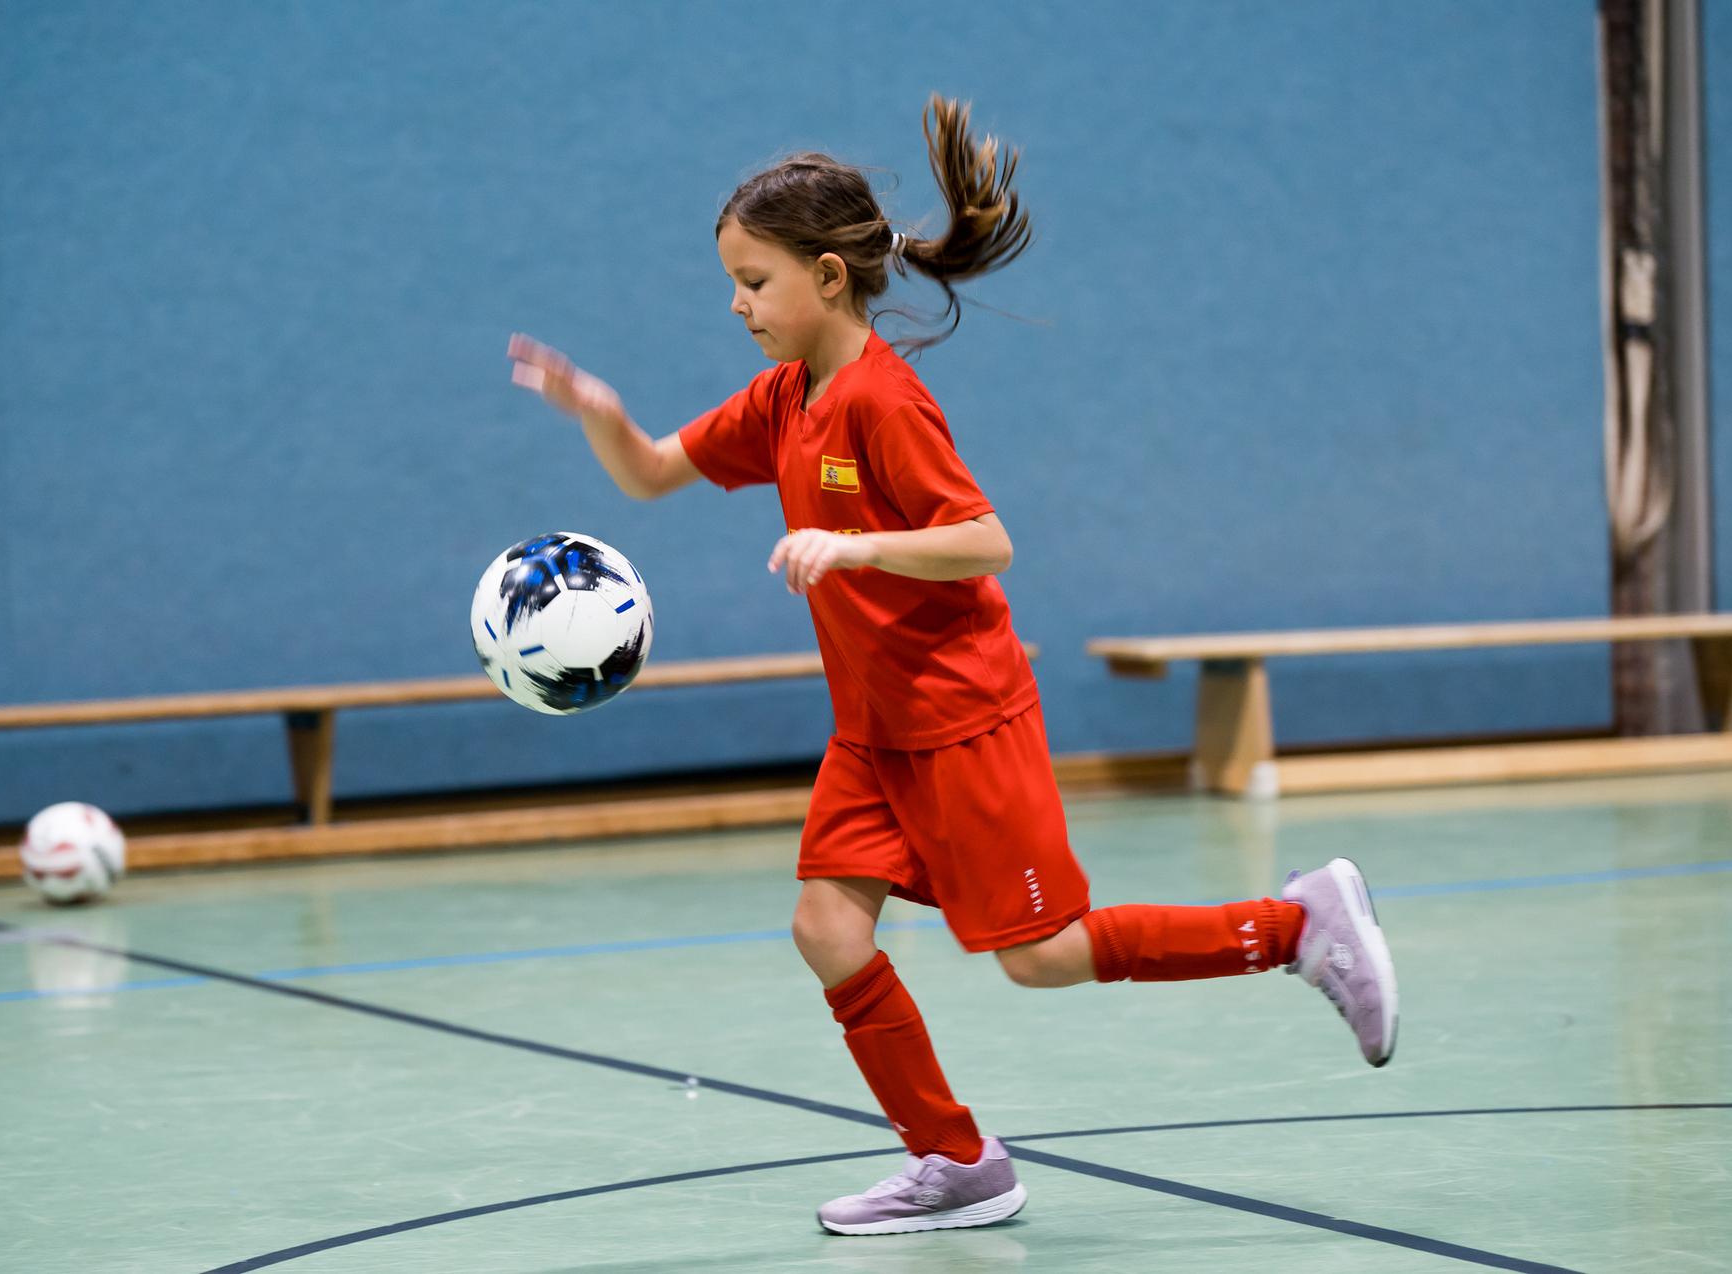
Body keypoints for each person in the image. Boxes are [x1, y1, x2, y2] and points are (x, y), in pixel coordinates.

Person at [508, 94, 1398, 1237]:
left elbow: (987, 538)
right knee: (827, 929)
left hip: (963, 718)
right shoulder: (785, 400)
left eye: (754, 280)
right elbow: (646, 473)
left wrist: (854, 544)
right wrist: (599, 412)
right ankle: (956, 1156)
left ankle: (1297, 925)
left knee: (1043, 956)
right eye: (729, 281)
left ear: (829, 277)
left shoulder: (884, 399)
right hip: (873, 730)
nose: (736, 303)